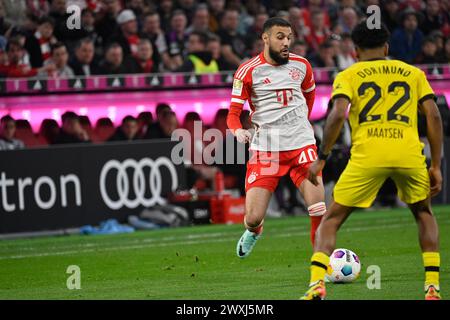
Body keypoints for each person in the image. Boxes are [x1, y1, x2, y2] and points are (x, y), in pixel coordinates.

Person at [301, 21, 443, 300]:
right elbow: (434, 116)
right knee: (423, 213)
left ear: (355, 51)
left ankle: (317, 283)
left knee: (332, 219)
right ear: (387, 47)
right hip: (408, 153)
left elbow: (338, 114)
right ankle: (432, 286)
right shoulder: (412, 73)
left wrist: (322, 158)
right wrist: (435, 165)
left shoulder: (349, 74)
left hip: (368, 154)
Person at [226, 17, 325, 259]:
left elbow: (309, 98)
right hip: (267, 150)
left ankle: (322, 264)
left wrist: (300, 123)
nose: (286, 43)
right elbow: (233, 114)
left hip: (302, 145)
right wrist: (238, 130)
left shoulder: (302, 65)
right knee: (253, 216)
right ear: (266, 38)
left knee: (318, 208)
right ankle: (254, 230)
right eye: (280, 37)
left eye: (289, 38)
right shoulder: (247, 71)